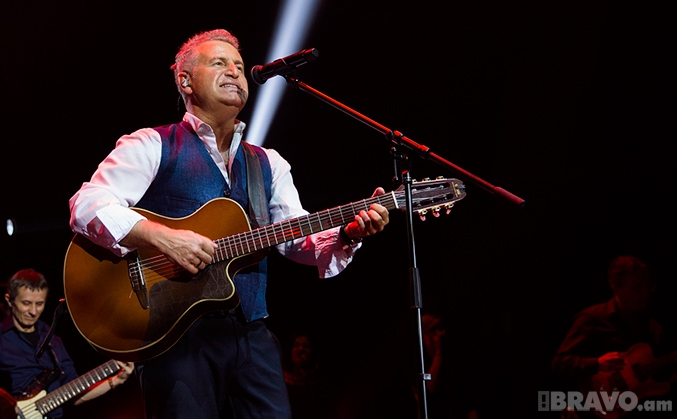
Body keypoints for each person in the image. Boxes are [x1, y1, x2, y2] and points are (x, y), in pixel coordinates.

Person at [68, 28, 390, 419]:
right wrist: (162, 238)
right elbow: (87, 205)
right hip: (176, 337)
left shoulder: (268, 163)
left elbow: (294, 236)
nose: (235, 71)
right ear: (185, 80)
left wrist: (347, 234)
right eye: (219, 63)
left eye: (238, 65)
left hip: (251, 333)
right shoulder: (151, 144)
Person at [551, 255, 677, 418]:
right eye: (637, 287)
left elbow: (663, 376)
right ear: (616, 286)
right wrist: (597, 363)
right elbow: (559, 362)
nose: (645, 293)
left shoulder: (653, 327)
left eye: (648, 287)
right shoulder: (592, 319)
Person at [0, 268, 134, 419]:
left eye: (39, 304)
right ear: (9, 300)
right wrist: (6, 403)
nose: (33, 311)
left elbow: (74, 395)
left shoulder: (54, 342)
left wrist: (116, 381)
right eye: (26, 303)